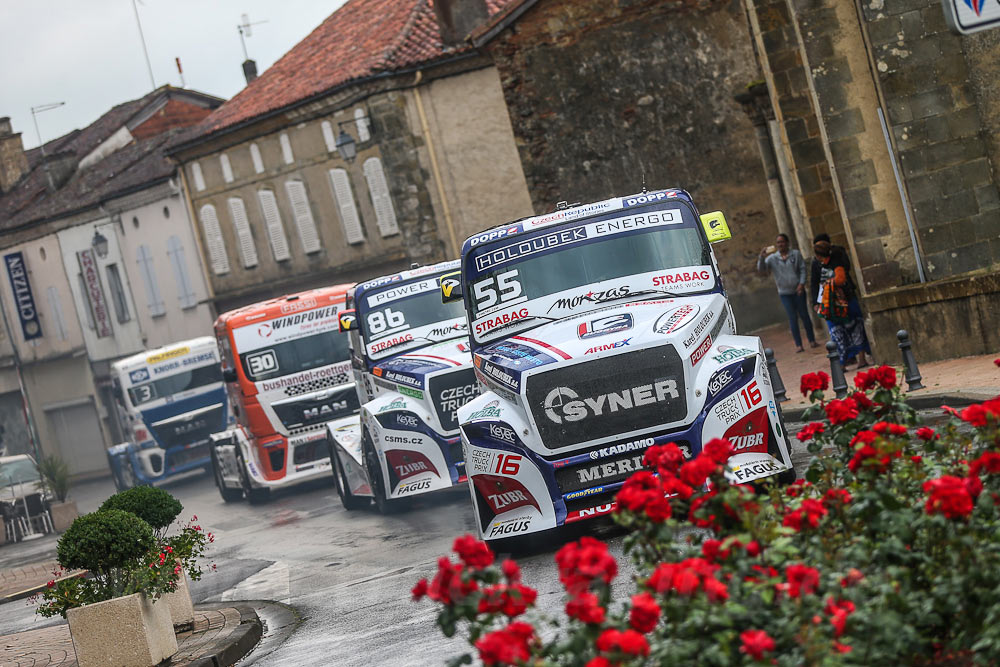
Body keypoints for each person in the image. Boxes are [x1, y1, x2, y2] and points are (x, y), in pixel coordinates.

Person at [809, 233, 870, 368]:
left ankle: (861, 358)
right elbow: (814, 282)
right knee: (836, 332)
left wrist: (829, 284)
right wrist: (815, 302)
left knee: (855, 327)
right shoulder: (816, 264)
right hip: (828, 303)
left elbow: (842, 276)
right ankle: (842, 362)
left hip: (845, 299)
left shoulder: (838, 257)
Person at [757, 233, 817, 353]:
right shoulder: (773, 258)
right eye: (778, 242)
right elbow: (762, 270)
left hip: (798, 290)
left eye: (782, 242)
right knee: (792, 318)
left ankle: (812, 340)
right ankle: (798, 345)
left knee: (804, 315)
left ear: (787, 243)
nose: (780, 244)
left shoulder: (795, 254)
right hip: (785, 293)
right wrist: (761, 257)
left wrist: (801, 284)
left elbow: (802, 269)